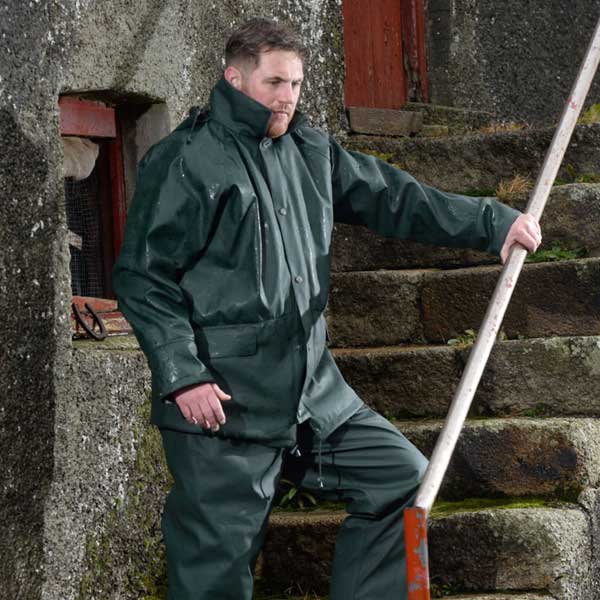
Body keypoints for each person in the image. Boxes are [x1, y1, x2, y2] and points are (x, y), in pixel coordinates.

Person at [112, 17, 542, 600]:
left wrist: (493, 223)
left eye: (295, 83)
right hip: (225, 406)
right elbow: (143, 277)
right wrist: (183, 374)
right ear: (234, 78)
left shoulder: (310, 150)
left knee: (402, 480)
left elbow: (395, 197)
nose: (287, 96)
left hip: (315, 397)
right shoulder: (187, 160)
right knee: (214, 572)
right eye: (274, 82)